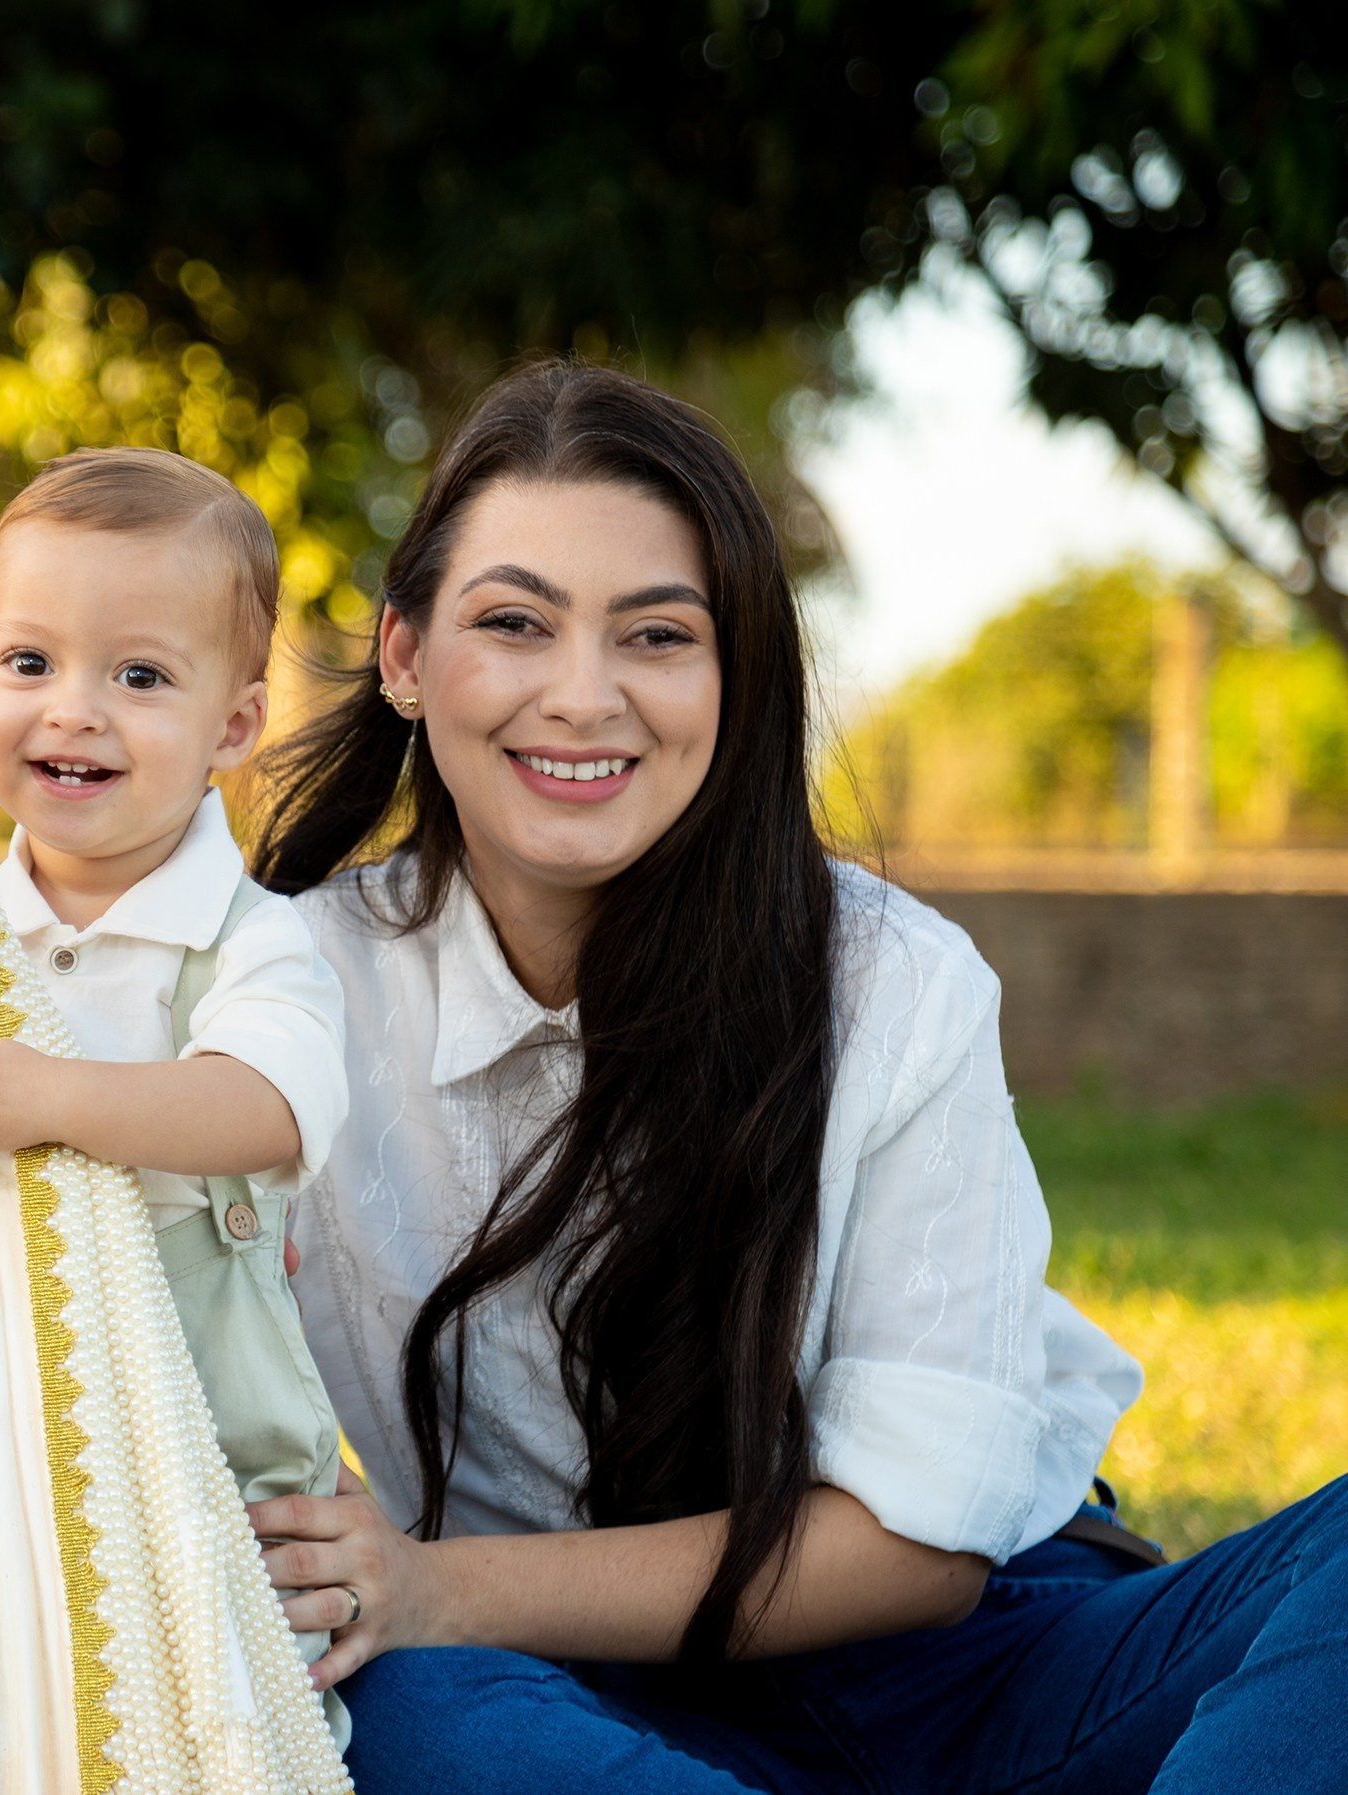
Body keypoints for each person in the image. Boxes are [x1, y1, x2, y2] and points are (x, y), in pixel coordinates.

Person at [242, 360, 1348, 1792]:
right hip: (574, 1708)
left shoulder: (888, 980)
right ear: (402, 656)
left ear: (735, 673)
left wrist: (433, 1586)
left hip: (994, 1673)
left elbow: (913, 1549)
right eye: (511, 623)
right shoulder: (277, 994)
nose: (580, 696)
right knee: (382, 1709)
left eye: (654, 634)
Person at [0, 451, 352, 1707]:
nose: (73, 710)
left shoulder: (248, 939)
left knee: (211, 1727)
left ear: (234, 726)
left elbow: (263, 1105)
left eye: (139, 676)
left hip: (207, 1467)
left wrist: (39, 1092)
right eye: (30, 664)